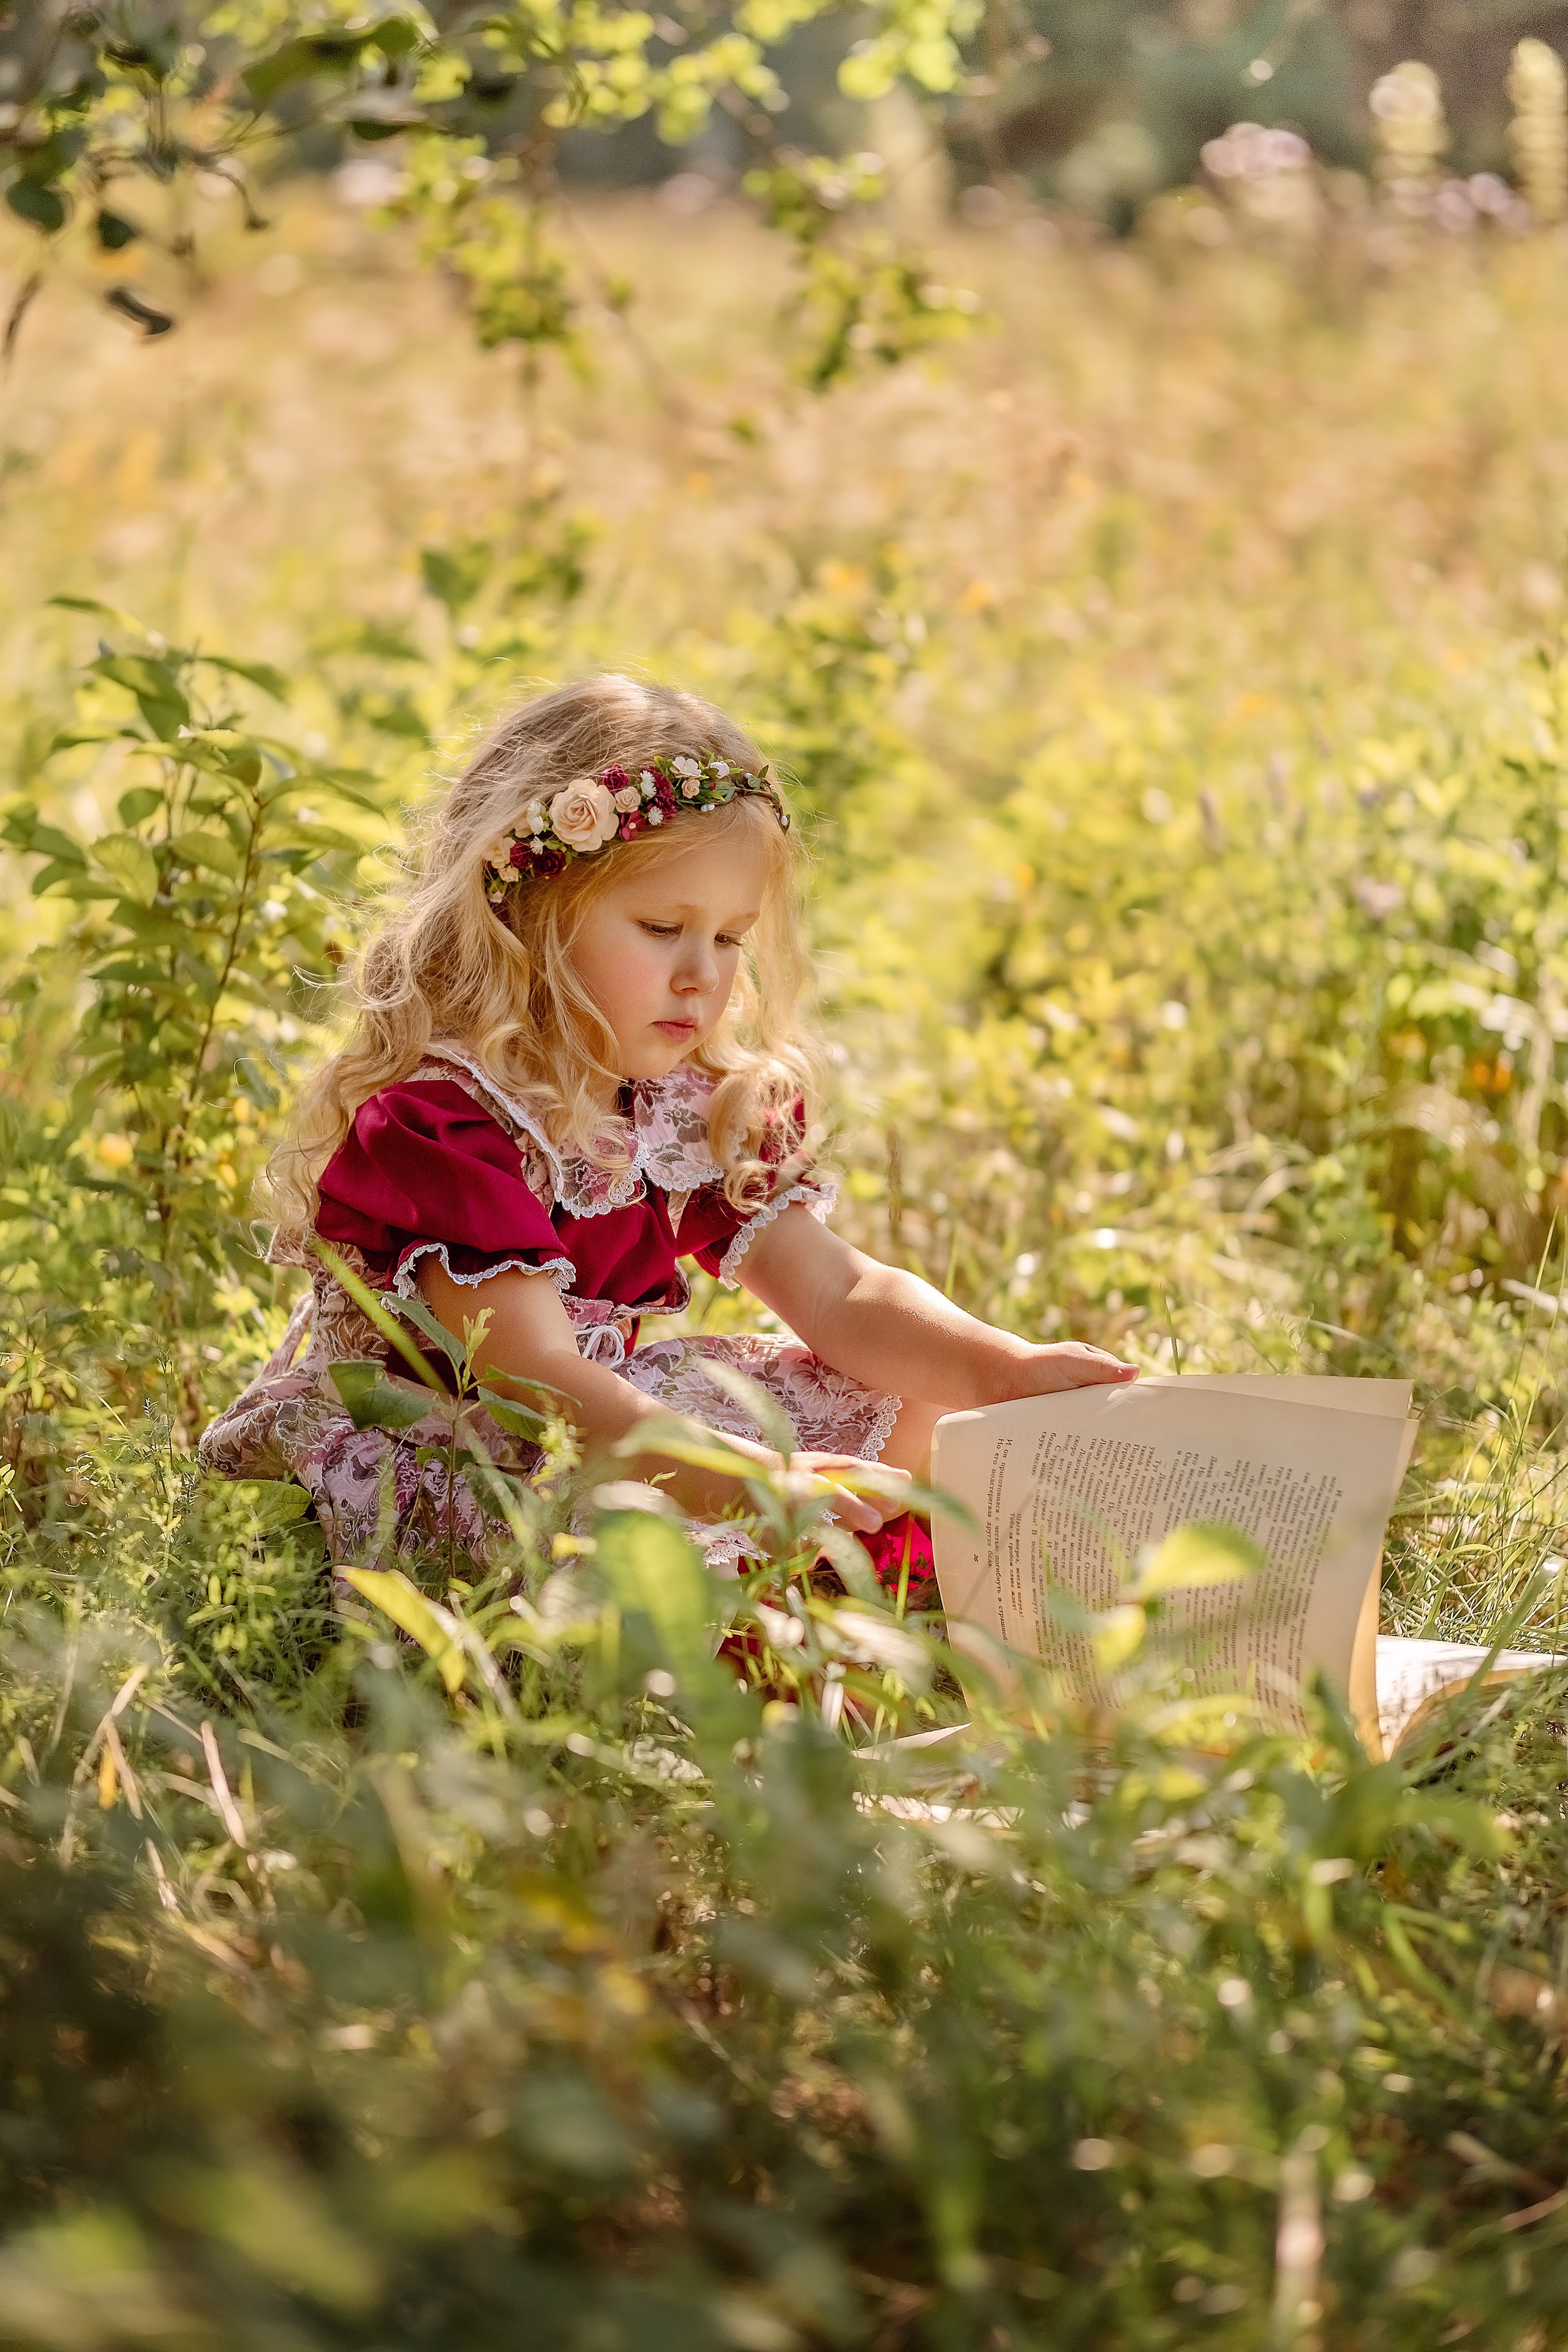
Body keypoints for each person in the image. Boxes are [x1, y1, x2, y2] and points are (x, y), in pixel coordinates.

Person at [199, 675, 1134, 1591]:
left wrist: (1004, 1369)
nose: (702, 975)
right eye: (661, 927)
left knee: (930, 1385)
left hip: (611, 1421)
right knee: (631, 1517)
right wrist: (752, 1482)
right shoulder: (447, 1123)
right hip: (471, 1458)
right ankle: (732, 1618)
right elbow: (538, 1386)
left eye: (730, 939)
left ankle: (802, 1588)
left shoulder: (686, 1104)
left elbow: (842, 1295)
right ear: (526, 910)